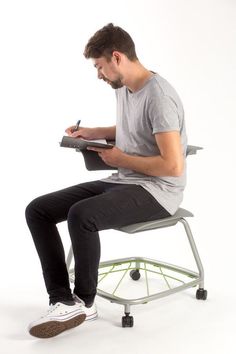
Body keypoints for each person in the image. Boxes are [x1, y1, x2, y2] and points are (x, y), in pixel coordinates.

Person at [25, 23, 187, 338]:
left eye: (99, 66)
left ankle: (85, 302)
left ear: (116, 57)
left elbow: (173, 166)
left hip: (158, 191)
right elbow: (134, 127)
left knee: (82, 215)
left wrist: (121, 159)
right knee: (38, 210)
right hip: (125, 180)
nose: (99, 74)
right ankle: (61, 298)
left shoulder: (160, 96)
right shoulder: (125, 88)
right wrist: (94, 133)